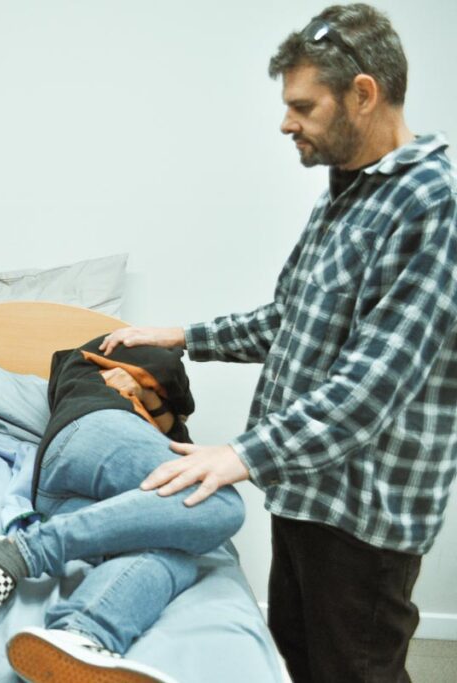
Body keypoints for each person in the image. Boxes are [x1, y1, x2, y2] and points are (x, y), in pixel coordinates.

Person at [100, 5, 457, 682]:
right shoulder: (346, 195)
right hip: (305, 489)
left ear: (363, 93)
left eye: (302, 106)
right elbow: (289, 321)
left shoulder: (432, 204)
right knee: (297, 659)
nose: (286, 123)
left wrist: (241, 454)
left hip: (362, 517)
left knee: (354, 669)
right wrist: (185, 335)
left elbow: (370, 388)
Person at [0, 335, 245, 682]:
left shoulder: (126, 403)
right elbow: (166, 370)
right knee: (219, 499)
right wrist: (154, 386)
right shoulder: (99, 359)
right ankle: (23, 552)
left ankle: (81, 635)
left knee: (176, 548)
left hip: (59, 492)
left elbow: (175, 442)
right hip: (96, 433)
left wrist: (151, 401)